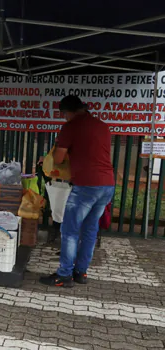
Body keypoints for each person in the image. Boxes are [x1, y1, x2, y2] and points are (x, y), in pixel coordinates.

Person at [40, 95, 115, 288]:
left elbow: (57, 159)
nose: (64, 117)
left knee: (70, 230)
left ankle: (64, 275)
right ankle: (81, 272)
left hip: (86, 186)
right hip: (107, 185)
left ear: (69, 112)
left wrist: (56, 148)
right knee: (90, 230)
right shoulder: (102, 125)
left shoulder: (71, 127)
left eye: (64, 114)